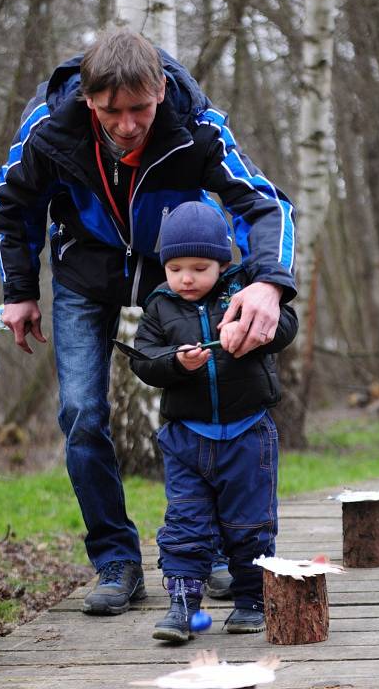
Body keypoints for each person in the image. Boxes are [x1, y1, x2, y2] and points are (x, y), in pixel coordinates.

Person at [0, 28, 296, 616]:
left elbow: (265, 204)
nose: (127, 124)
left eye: (140, 109)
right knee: (80, 411)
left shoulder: (198, 127)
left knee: (212, 396)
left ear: (160, 90)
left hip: (176, 268)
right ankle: (116, 559)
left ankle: (207, 553)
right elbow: (13, 203)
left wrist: (267, 282)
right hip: (84, 270)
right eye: (112, 112)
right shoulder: (47, 129)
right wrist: (20, 291)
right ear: (87, 100)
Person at [130, 202, 298, 642]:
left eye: (199, 267)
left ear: (224, 262)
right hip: (186, 438)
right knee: (185, 523)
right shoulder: (159, 307)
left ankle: (251, 600)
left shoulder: (245, 290)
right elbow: (144, 360)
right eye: (175, 267)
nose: (186, 278)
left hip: (249, 434)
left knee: (250, 524)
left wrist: (250, 326)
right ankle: (183, 604)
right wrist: (175, 363)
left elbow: (285, 327)